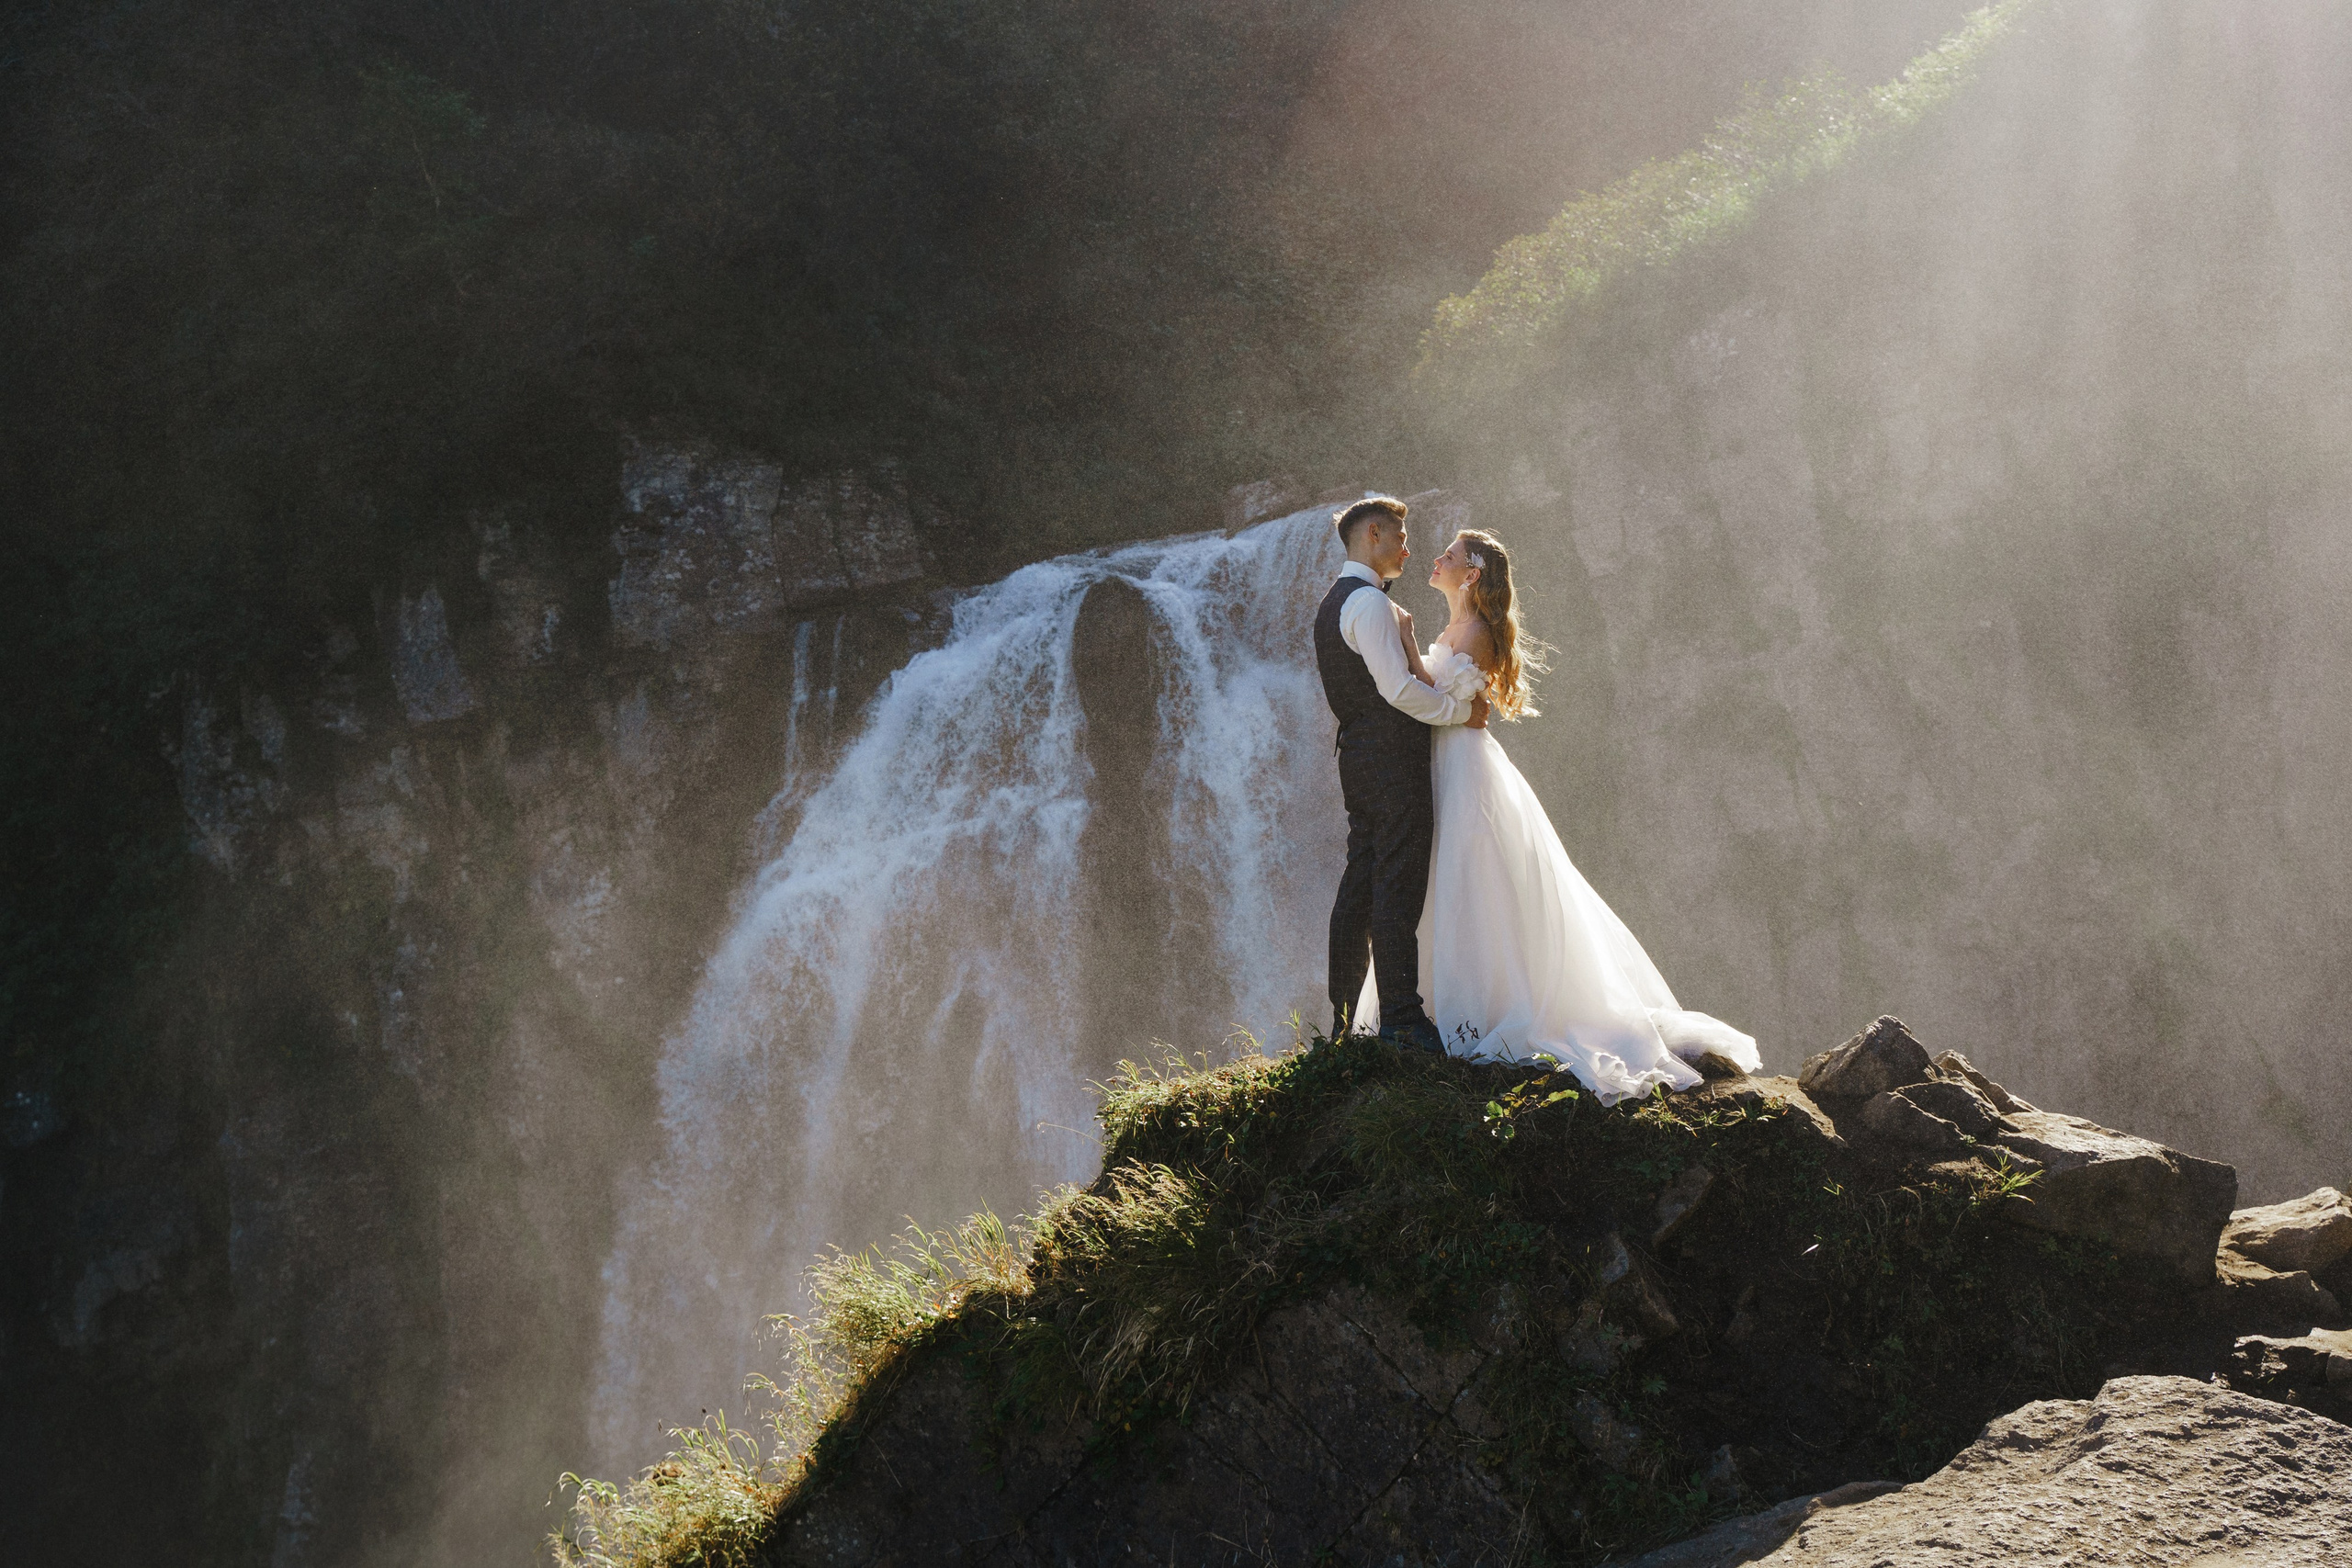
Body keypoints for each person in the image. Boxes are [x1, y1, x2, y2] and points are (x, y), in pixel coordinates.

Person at [1351, 525, 1761, 1102]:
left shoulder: (1473, 630)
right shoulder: (1455, 626)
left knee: (1473, 880)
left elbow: (1465, 713)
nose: (1434, 559)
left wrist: (1411, 658)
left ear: (1469, 574)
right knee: (1445, 881)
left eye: (1448, 556)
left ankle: (1480, 1011)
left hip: (1464, 769)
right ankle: (1443, 1010)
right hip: (1445, 766)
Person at [1315, 496, 1487, 1055]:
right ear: (1372, 535)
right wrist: (1461, 713)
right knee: (1396, 883)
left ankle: (1343, 1023)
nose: (1409, 549)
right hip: (1391, 763)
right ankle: (1402, 1020)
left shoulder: (1334, 602)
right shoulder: (1366, 603)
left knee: (1361, 884)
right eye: (1400, 538)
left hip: (1359, 760)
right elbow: (1399, 690)